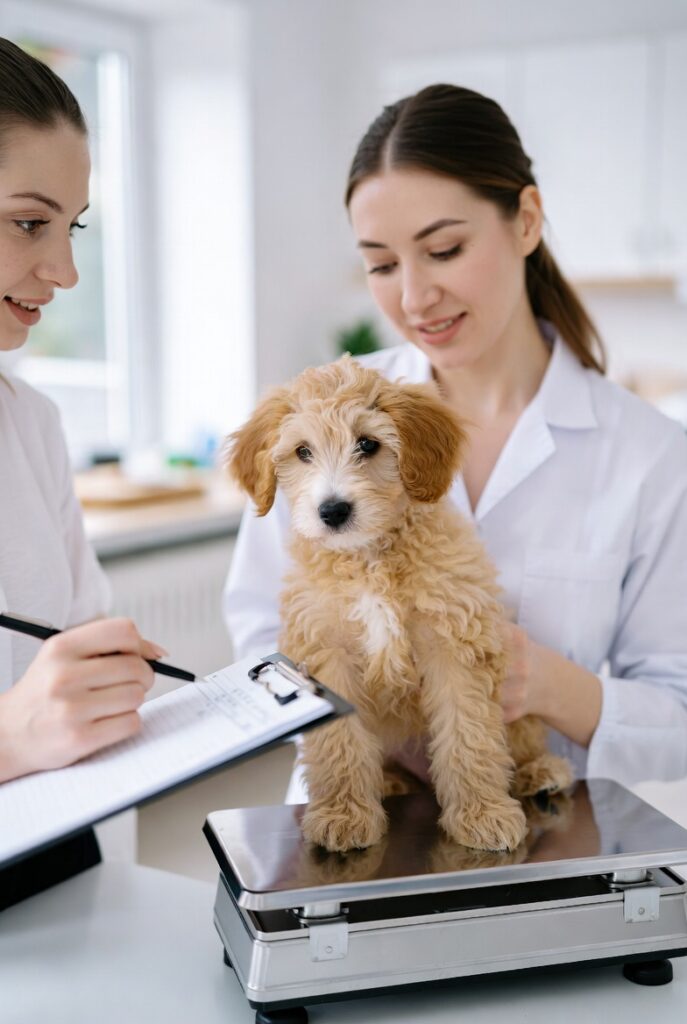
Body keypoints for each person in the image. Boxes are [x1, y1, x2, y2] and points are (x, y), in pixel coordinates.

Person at [224, 83, 687, 802]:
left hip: (545, 833)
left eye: (443, 249)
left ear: (525, 221)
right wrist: (351, 708)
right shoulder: (317, 424)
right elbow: (260, 642)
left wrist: (550, 687)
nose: (412, 298)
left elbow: (678, 718)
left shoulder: (648, 454)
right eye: (380, 264)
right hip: (356, 823)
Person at [0, 38, 164, 908]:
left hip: (51, 874)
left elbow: (78, 629)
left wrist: (110, 677)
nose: (63, 271)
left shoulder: (32, 423)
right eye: (30, 222)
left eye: (74, 228)